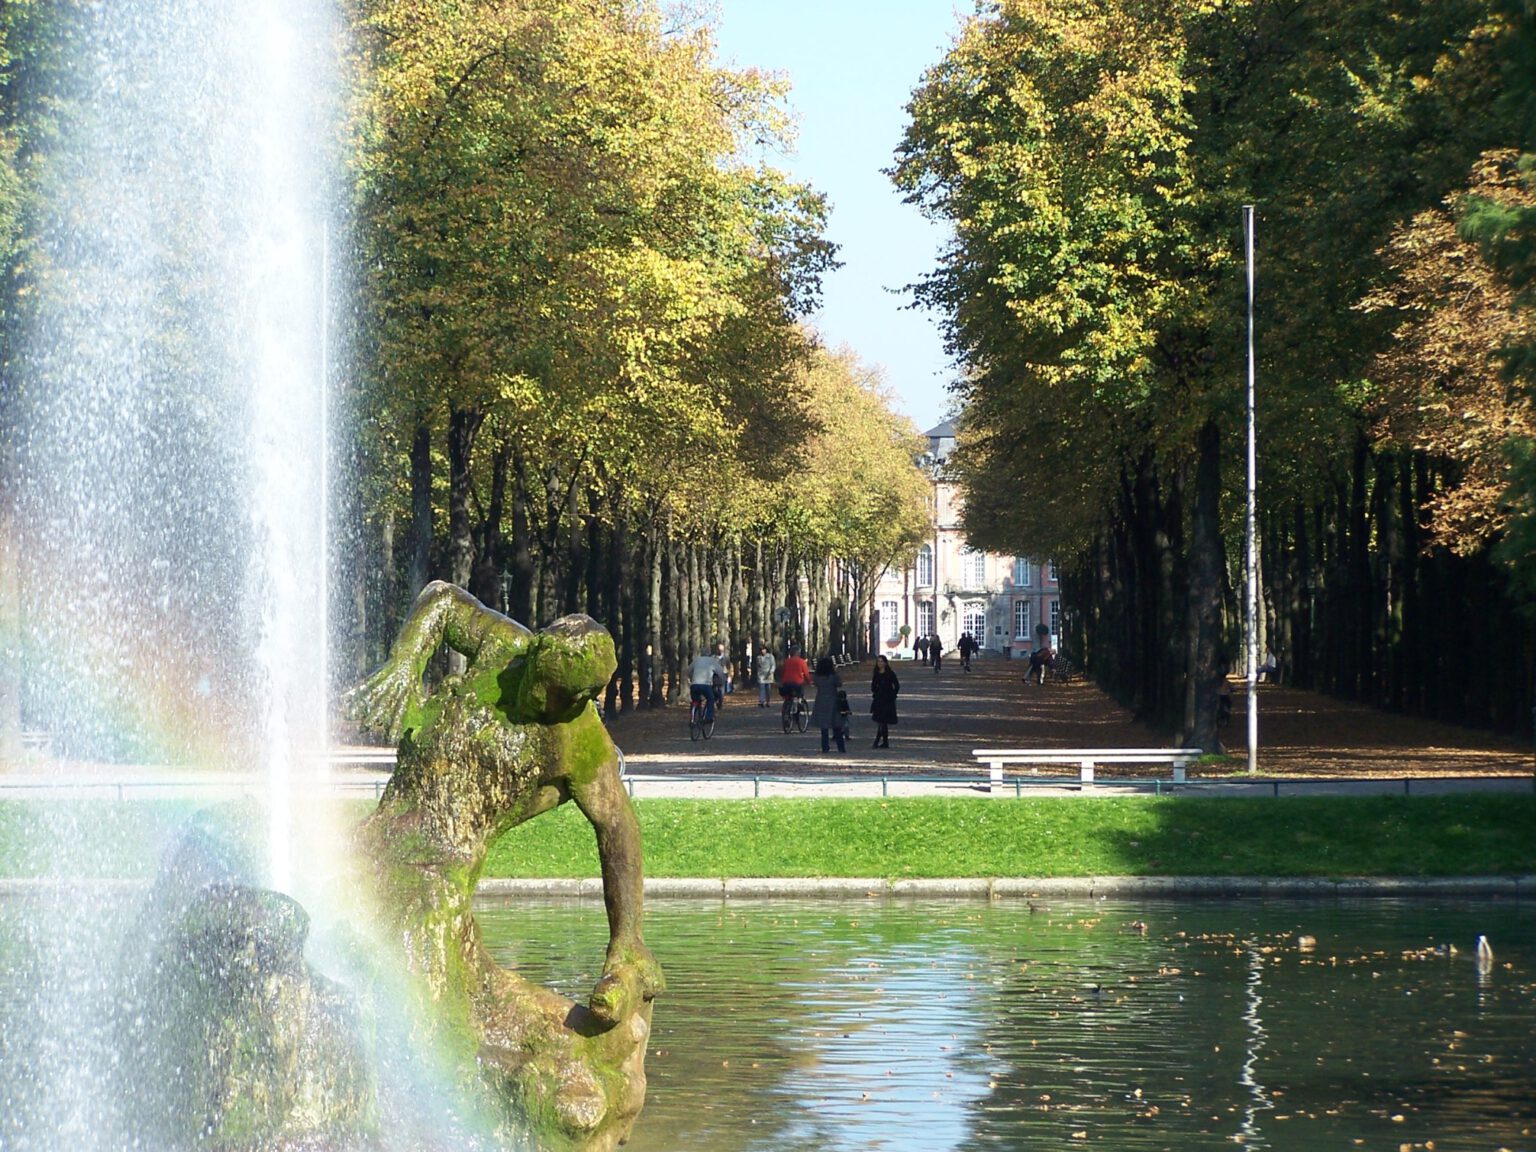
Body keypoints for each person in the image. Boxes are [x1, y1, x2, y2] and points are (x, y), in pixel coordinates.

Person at [810, 655, 847, 753]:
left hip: (821, 701)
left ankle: (825, 747)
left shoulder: (817, 677)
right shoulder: (833, 677)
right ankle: (841, 747)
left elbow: (815, 683)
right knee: (837, 725)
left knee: (824, 727)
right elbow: (839, 684)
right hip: (833, 700)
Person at [869, 654, 900, 748]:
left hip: (888, 699)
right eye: (878, 661)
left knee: (883, 721)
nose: (880, 663)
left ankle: (877, 740)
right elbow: (873, 686)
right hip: (879, 699)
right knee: (881, 721)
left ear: (885, 663)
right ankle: (885, 742)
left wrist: (893, 694)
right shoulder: (876, 674)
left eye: (882, 661)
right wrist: (875, 692)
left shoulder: (890, 673)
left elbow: (896, 685)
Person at [688, 649, 727, 722]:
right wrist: (723, 680)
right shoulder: (712, 661)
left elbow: (689, 671)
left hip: (694, 685)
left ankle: (693, 715)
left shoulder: (696, 660)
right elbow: (720, 672)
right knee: (710, 699)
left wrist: (691, 678)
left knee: (695, 700)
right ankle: (708, 717)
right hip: (706, 685)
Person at [778, 646, 811, 712]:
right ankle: (799, 702)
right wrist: (810, 681)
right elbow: (806, 674)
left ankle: (786, 708)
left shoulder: (786, 661)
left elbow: (782, 672)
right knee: (800, 691)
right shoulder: (801, 662)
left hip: (786, 684)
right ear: (798, 653)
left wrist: (781, 681)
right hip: (797, 684)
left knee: (788, 696)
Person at [754, 643, 776, 707]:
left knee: (768, 689)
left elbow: (773, 665)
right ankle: (761, 701)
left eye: (764, 649)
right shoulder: (758, 657)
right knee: (762, 688)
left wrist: (771, 671)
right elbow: (758, 666)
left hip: (768, 675)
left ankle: (768, 701)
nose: (762, 651)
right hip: (761, 675)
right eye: (761, 650)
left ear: (766, 650)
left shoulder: (770, 657)